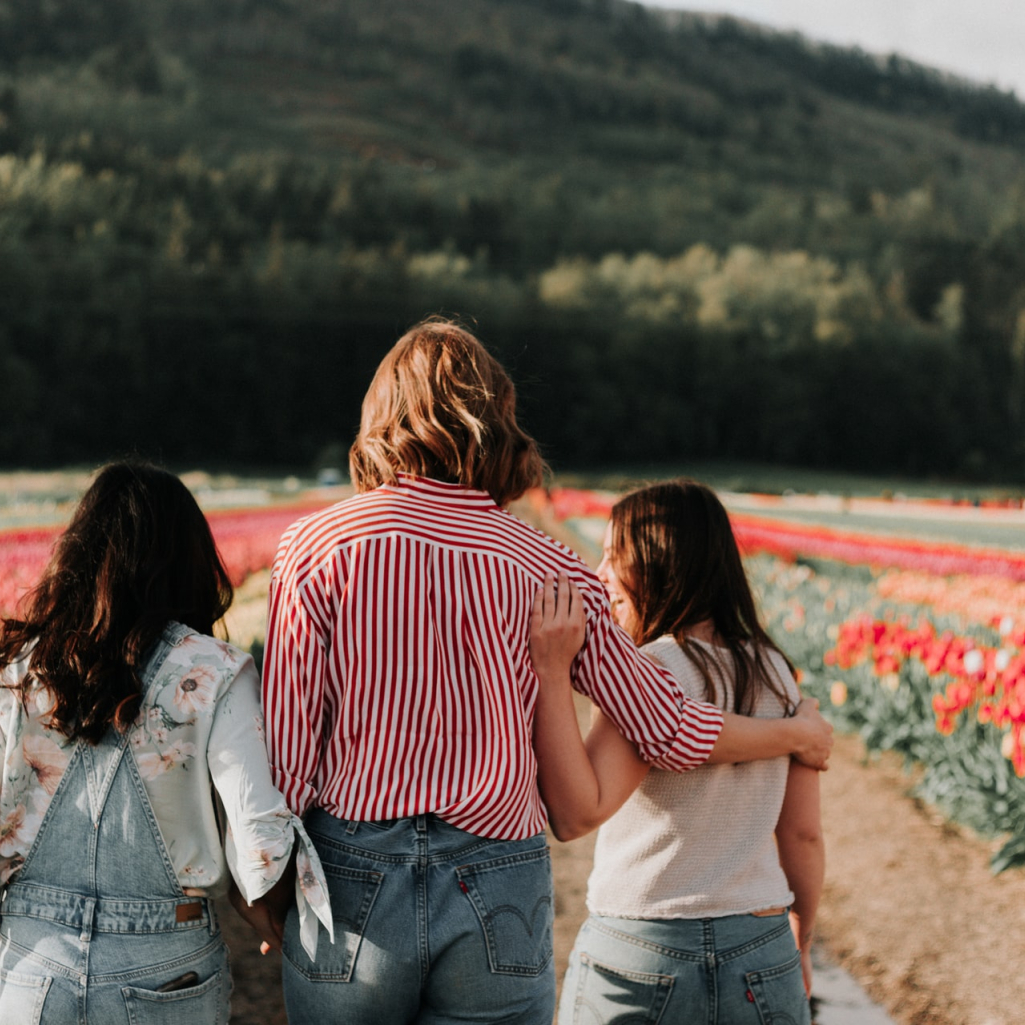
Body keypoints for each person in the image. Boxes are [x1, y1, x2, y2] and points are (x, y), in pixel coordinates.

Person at [261, 318, 831, 1025]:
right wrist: (791, 733)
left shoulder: (315, 547)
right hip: (495, 875)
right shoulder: (548, 567)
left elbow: (287, 756)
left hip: (351, 872)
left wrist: (268, 894)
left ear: (381, 417)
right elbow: (668, 729)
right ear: (495, 420)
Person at [0, 462, 332, 1024]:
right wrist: (270, 913)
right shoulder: (215, 671)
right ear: (190, 561)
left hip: (31, 966)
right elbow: (261, 843)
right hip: (164, 969)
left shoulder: (20, 668)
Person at [529, 479, 824, 1024]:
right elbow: (802, 834)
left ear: (658, 563)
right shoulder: (778, 673)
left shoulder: (649, 672)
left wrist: (551, 673)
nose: (600, 575)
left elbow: (576, 813)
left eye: (615, 557)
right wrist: (800, 940)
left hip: (642, 943)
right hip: (760, 944)